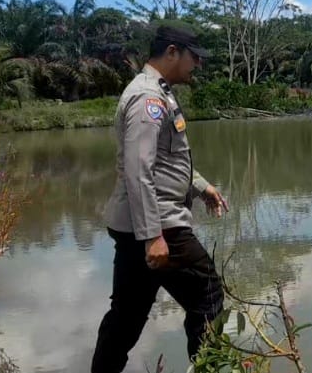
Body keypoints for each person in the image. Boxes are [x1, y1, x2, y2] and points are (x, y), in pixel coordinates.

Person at [91, 24, 230, 373]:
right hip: (160, 224)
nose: (196, 65)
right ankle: (207, 369)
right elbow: (139, 169)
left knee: (127, 316)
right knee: (208, 294)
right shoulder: (148, 100)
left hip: (141, 224)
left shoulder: (157, 92)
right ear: (172, 52)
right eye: (193, 57)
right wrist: (152, 234)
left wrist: (201, 186)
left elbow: (166, 159)